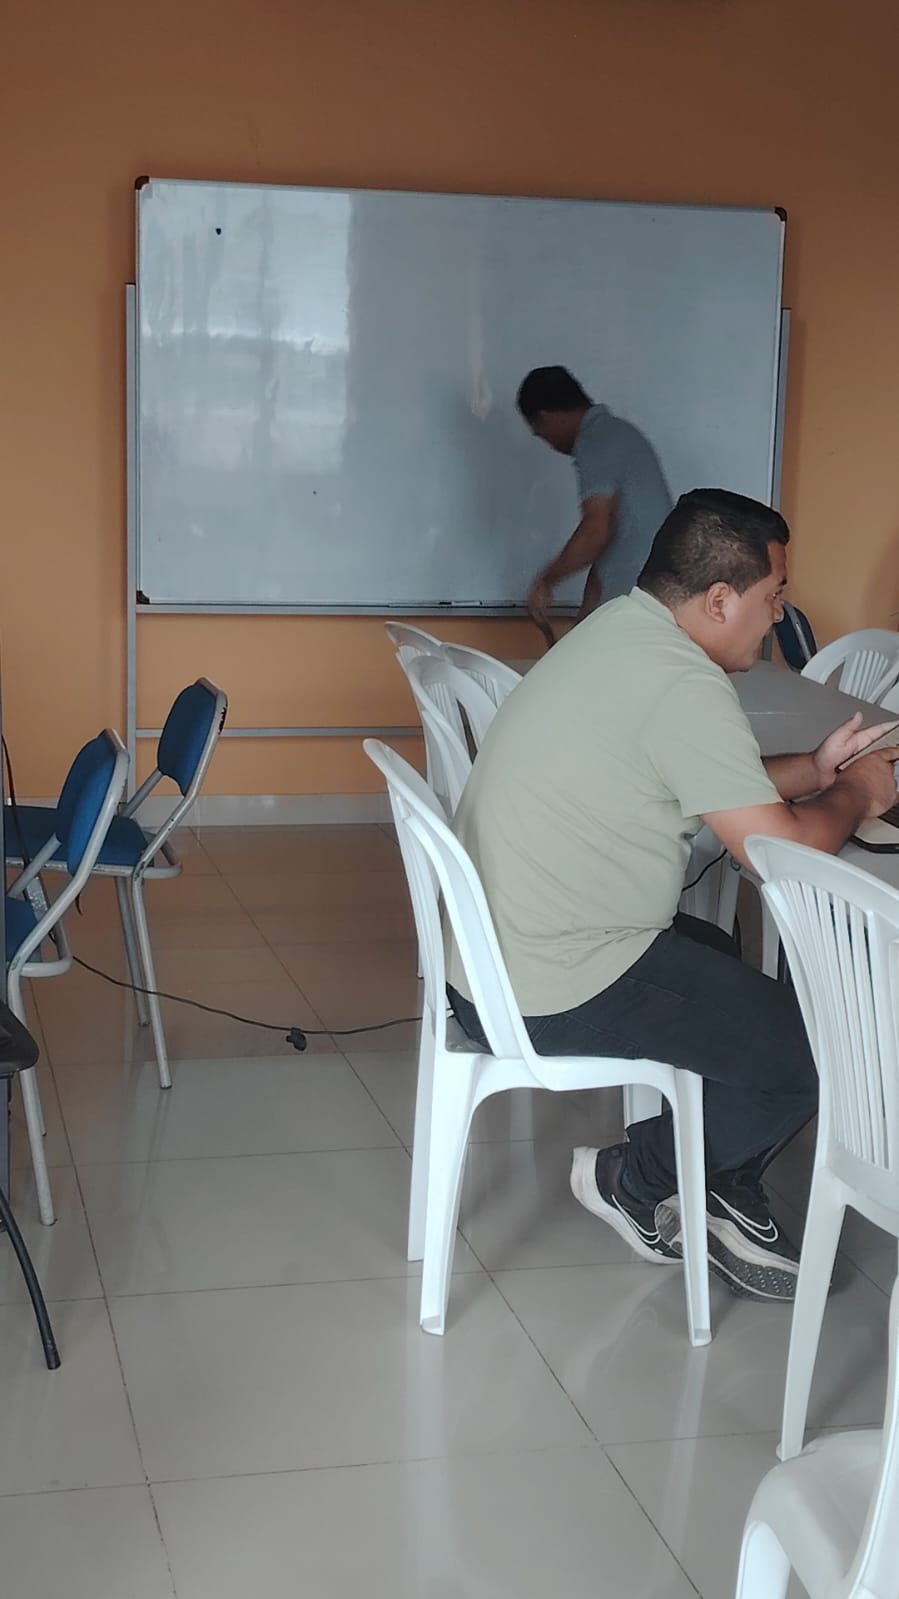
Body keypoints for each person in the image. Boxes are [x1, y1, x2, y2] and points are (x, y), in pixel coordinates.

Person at [446, 488, 899, 1301]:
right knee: (811, 1051)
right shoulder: (681, 684)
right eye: (772, 597)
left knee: (721, 956)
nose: (776, 617)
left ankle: (719, 1177)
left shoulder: (620, 633)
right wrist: (860, 793)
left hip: (494, 956)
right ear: (719, 598)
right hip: (544, 983)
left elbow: (705, 778)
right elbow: (781, 853)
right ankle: (637, 1177)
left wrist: (815, 770)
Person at [517, 366, 672, 641]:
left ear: (546, 417)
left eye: (541, 433)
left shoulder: (596, 441)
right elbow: (604, 547)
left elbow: (595, 531)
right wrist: (581, 630)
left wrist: (546, 581)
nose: (548, 443)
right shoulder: (618, 433)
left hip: (638, 601)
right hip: (648, 595)